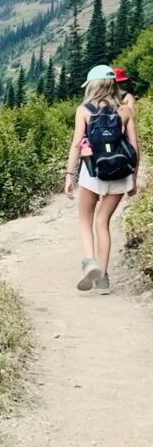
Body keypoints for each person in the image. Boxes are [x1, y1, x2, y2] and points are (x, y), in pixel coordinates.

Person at [64, 65, 140, 294]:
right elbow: (135, 148)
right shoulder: (126, 111)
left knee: (85, 220)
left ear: (92, 86)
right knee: (102, 222)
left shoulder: (84, 110)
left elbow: (77, 145)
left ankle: (90, 261)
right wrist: (133, 179)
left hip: (93, 174)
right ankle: (103, 280)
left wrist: (69, 175)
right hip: (120, 174)